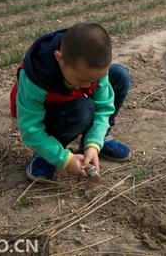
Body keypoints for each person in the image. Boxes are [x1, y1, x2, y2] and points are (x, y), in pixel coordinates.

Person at [10, 23, 133, 181]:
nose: (88, 86)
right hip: (49, 117)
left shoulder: (90, 68)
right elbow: (30, 129)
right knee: (83, 109)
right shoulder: (36, 79)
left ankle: (100, 139)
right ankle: (47, 154)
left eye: (93, 80)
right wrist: (65, 159)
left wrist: (93, 143)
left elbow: (104, 107)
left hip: (71, 102)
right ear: (59, 58)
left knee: (121, 76)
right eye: (81, 80)